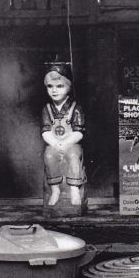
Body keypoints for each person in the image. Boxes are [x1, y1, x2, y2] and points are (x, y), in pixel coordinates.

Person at [41, 63, 86, 206]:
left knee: (73, 155)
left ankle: (74, 189)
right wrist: (54, 143)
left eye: (59, 86)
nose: (54, 90)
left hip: (71, 144)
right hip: (54, 143)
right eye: (50, 86)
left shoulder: (75, 108)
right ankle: (55, 190)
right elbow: (46, 130)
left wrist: (66, 143)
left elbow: (79, 131)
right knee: (49, 155)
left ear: (69, 87)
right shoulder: (47, 109)